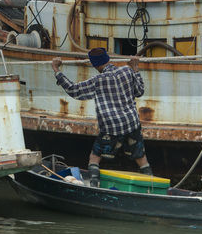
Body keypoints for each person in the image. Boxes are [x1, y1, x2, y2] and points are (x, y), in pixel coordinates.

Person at [51, 47, 151, 185]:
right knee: (141, 157)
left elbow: (74, 90)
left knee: (95, 157)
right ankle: (152, 186)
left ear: (94, 65)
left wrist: (56, 70)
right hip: (131, 123)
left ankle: (94, 185)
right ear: (108, 59)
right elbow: (139, 92)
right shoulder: (127, 71)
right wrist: (135, 68)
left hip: (111, 127)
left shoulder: (97, 80)